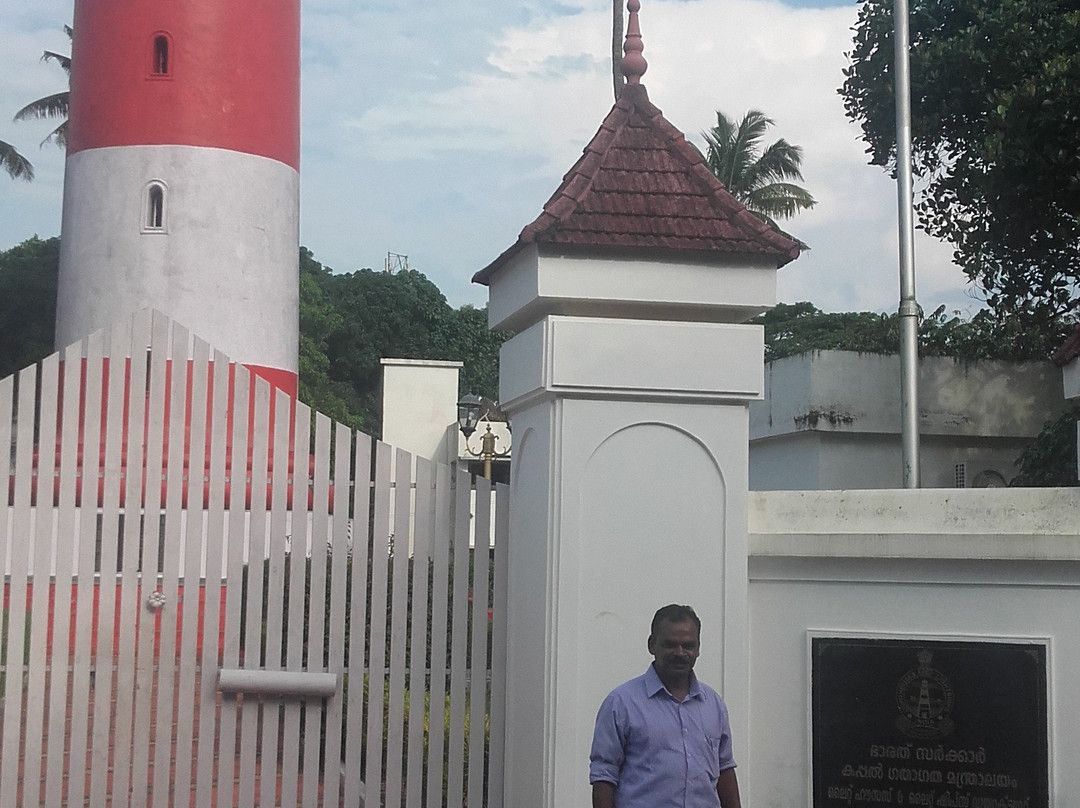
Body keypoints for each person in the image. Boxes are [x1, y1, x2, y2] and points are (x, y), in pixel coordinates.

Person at [589, 604, 742, 808]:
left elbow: (725, 769)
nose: (680, 653)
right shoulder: (621, 703)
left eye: (688, 645)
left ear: (698, 648)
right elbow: (604, 775)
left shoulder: (713, 704)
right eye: (670, 645)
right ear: (652, 645)